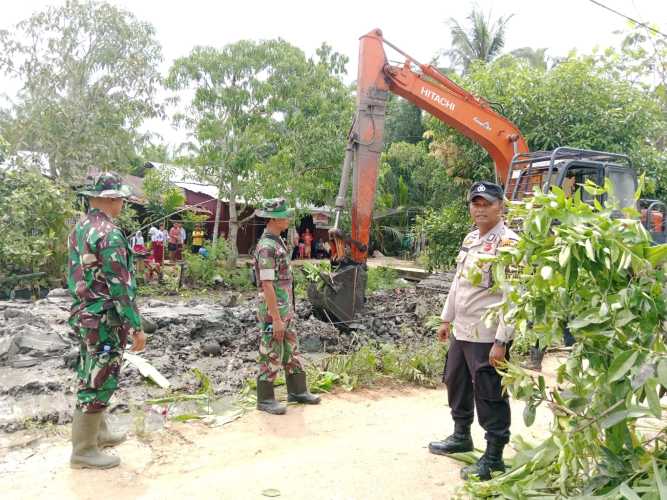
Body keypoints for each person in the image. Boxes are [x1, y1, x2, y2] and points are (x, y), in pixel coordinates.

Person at [428, 181, 518, 481]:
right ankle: (461, 436)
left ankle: (493, 458)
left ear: (500, 206)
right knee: (456, 382)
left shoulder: (509, 244)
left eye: (486, 203)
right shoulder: (470, 239)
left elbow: (513, 297)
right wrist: (446, 319)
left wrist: (502, 341)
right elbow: (458, 283)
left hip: (488, 336)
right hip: (463, 331)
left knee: (490, 394)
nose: (479, 209)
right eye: (475, 203)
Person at [67, 172, 146, 469]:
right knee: (99, 380)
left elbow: (75, 276)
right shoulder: (109, 234)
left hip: (84, 315)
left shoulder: (80, 229)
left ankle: (98, 433)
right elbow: (120, 287)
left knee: (90, 373)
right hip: (103, 320)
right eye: (122, 199)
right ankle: (84, 450)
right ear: (112, 199)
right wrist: (136, 326)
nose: (123, 204)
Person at [253, 198, 320, 414]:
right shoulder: (266, 247)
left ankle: (298, 391)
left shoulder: (277, 241)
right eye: (285, 215)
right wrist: (276, 318)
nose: (289, 219)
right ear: (273, 218)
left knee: (291, 349)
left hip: (285, 308)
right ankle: (265, 400)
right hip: (275, 311)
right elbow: (267, 285)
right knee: (271, 351)